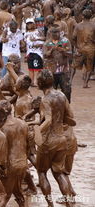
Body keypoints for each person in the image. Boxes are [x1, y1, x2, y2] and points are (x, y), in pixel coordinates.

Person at [35, 69, 76, 207]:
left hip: (48, 141)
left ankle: (50, 205)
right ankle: (69, 204)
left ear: (40, 83)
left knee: (41, 172)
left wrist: (36, 130)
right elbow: (70, 117)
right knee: (59, 173)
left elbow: (47, 120)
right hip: (61, 139)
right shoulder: (61, 95)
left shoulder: (45, 100)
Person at [0, 100, 29, 207]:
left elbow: (1, 150)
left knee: (4, 195)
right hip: (22, 163)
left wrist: (1, 166)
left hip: (10, 165)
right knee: (17, 191)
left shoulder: (3, 127)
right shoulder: (23, 124)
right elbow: (29, 145)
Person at [43, 27, 72, 102]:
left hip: (64, 70)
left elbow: (70, 54)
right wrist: (52, 49)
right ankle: (53, 106)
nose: (55, 34)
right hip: (51, 71)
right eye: (54, 33)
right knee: (51, 91)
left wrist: (63, 51)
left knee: (67, 90)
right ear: (50, 34)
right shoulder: (47, 43)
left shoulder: (65, 41)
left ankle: (66, 106)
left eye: (57, 32)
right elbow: (45, 55)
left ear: (60, 32)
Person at [72, 9, 95, 88]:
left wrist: (76, 46)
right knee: (89, 67)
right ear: (91, 16)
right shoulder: (94, 25)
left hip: (80, 48)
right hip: (90, 49)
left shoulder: (78, 26)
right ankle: (85, 83)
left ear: (82, 16)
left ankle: (70, 81)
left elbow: (73, 37)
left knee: (73, 66)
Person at [24, 18, 44, 86]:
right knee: (30, 68)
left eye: (30, 23)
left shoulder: (38, 31)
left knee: (36, 68)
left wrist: (37, 41)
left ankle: (36, 82)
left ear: (33, 23)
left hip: (37, 52)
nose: (29, 25)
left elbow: (44, 39)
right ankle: (31, 81)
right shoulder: (26, 34)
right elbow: (25, 44)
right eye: (28, 24)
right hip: (29, 53)